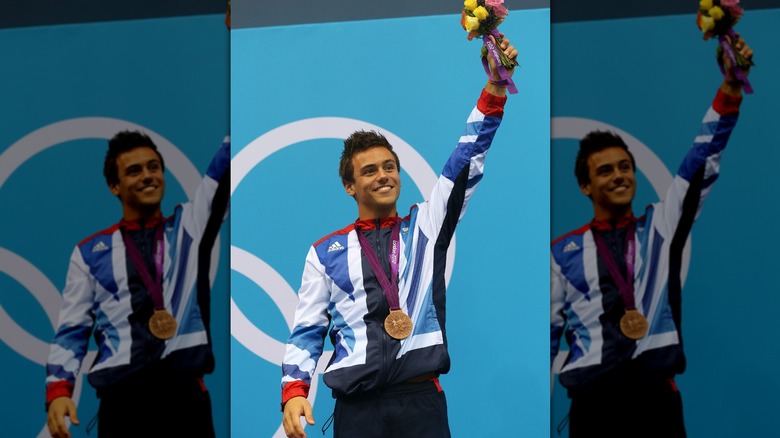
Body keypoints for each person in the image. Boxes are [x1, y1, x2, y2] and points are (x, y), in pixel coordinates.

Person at [280, 36, 518, 438]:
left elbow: (466, 158)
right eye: (369, 170)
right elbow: (307, 329)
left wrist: (494, 89)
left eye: (390, 167)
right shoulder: (326, 253)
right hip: (356, 411)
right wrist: (294, 390)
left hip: (419, 403)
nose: (383, 175)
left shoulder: (426, 226)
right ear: (348, 186)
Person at [550, 36, 753, 437]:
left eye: (625, 167)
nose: (620, 175)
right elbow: (547, 334)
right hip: (594, 406)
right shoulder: (562, 253)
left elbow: (700, 161)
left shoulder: (661, 228)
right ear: (585, 186)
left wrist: (729, 91)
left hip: (655, 402)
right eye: (605, 171)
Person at [45, 131, 230, 438]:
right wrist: (59, 390)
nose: (147, 176)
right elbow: (72, 330)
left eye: (153, 167)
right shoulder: (90, 253)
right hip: (123, 405)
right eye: (134, 171)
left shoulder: (190, 228)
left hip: (185, 402)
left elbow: (223, 168)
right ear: (114, 186)